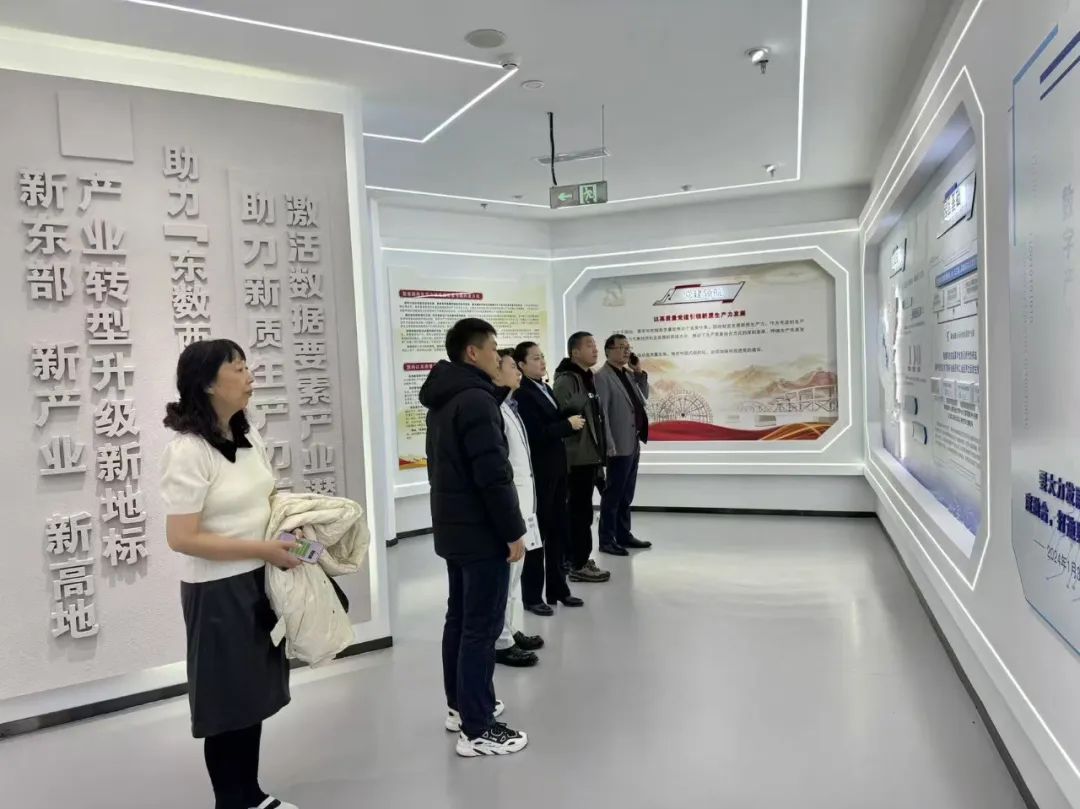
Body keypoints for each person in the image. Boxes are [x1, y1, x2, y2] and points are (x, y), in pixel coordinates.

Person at [160, 339, 301, 809]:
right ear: (206, 384)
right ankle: (231, 801)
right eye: (237, 369)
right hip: (216, 592)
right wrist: (263, 548)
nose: (249, 376)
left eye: (247, 367)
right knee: (225, 706)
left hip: (258, 579)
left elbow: (267, 499)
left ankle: (251, 795)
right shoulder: (188, 450)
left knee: (251, 696)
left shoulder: (247, 434)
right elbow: (182, 537)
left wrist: (295, 528)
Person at [419, 318, 529, 758]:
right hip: (482, 533)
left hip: (454, 528)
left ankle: (461, 706)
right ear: (473, 352)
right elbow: (493, 475)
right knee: (481, 628)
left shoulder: (445, 398)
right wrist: (513, 531)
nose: (498, 356)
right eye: (493, 348)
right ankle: (478, 728)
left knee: (461, 620)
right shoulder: (476, 401)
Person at [511, 342, 586, 611]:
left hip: (557, 470)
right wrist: (567, 425)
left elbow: (550, 423)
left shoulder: (544, 387)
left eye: (542, 356)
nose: (542, 361)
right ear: (521, 365)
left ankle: (558, 589)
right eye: (535, 358)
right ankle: (533, 597)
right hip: (540, 474)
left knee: (557, 532)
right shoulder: (523, 393)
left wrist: (568, 417)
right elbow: (535, 435)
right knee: (538, 535)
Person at [493, 349, 546, 666]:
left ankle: (509, 630)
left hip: (524, 505)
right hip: (512, 507)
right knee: (507, 578)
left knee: (515, 579)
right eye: (513, 366)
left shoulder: (508, 406)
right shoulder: (495, 411)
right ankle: (501, 641)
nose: (518, 372)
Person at [553, 332, 612, 584]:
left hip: (589, 456)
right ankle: (576, 563)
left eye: (595, 344)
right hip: (576, 458)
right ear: (575, 352)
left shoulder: (586, 378)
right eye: (589, 345)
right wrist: (583, 397)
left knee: (584, 512)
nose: (595, 349)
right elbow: (561, 414)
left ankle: (579, 559)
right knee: (578, 513)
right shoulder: (568, 379)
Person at [594, 335, 653, 556]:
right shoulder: (602, 377)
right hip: (617, 444)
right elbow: (603, 413)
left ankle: (623, 534)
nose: (626, 351)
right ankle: (607, 540)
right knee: (613, 494)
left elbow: (643, 397)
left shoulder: (627, 374)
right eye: (621, 347)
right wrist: (609, 444)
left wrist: (639, 373)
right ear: (608, 351)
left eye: (628, 347)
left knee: (627, 493)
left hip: (633, 440)